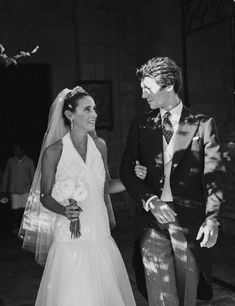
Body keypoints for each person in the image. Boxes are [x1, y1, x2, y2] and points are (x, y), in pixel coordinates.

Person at [119, 57, 226, 306]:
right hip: (151, 222)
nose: (142, 94)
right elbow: (126, 171)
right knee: (161, 298)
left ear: (168, 85)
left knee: (186, 296)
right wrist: (150, 200)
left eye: (147, 87)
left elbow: (215, 175)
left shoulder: (203, 124)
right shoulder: (141, 124)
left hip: (189, 223)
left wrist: (212, 218)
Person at [20, 86, 137, 306]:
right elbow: (45, 196)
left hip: (100, 233)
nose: (94, 114)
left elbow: (107, 186)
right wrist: (65, 210)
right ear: (69, 114)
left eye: (94, 108)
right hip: (70, 238)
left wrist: (135, 179)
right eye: (87, 109)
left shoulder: (100, 146)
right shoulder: (54, 151)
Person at [1, 143, 35, 233]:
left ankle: (25, 230)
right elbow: (6, 176)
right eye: (14, 149)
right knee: (15, 212)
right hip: (14, 191)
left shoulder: (29, 161)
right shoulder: (10, 161)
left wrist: (34, 191)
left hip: (26, 191)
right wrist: (4, 190)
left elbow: (33, 177)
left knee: (25, 212)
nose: (15, 151)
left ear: (22, 150)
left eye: (17, 149)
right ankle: (15, 229)